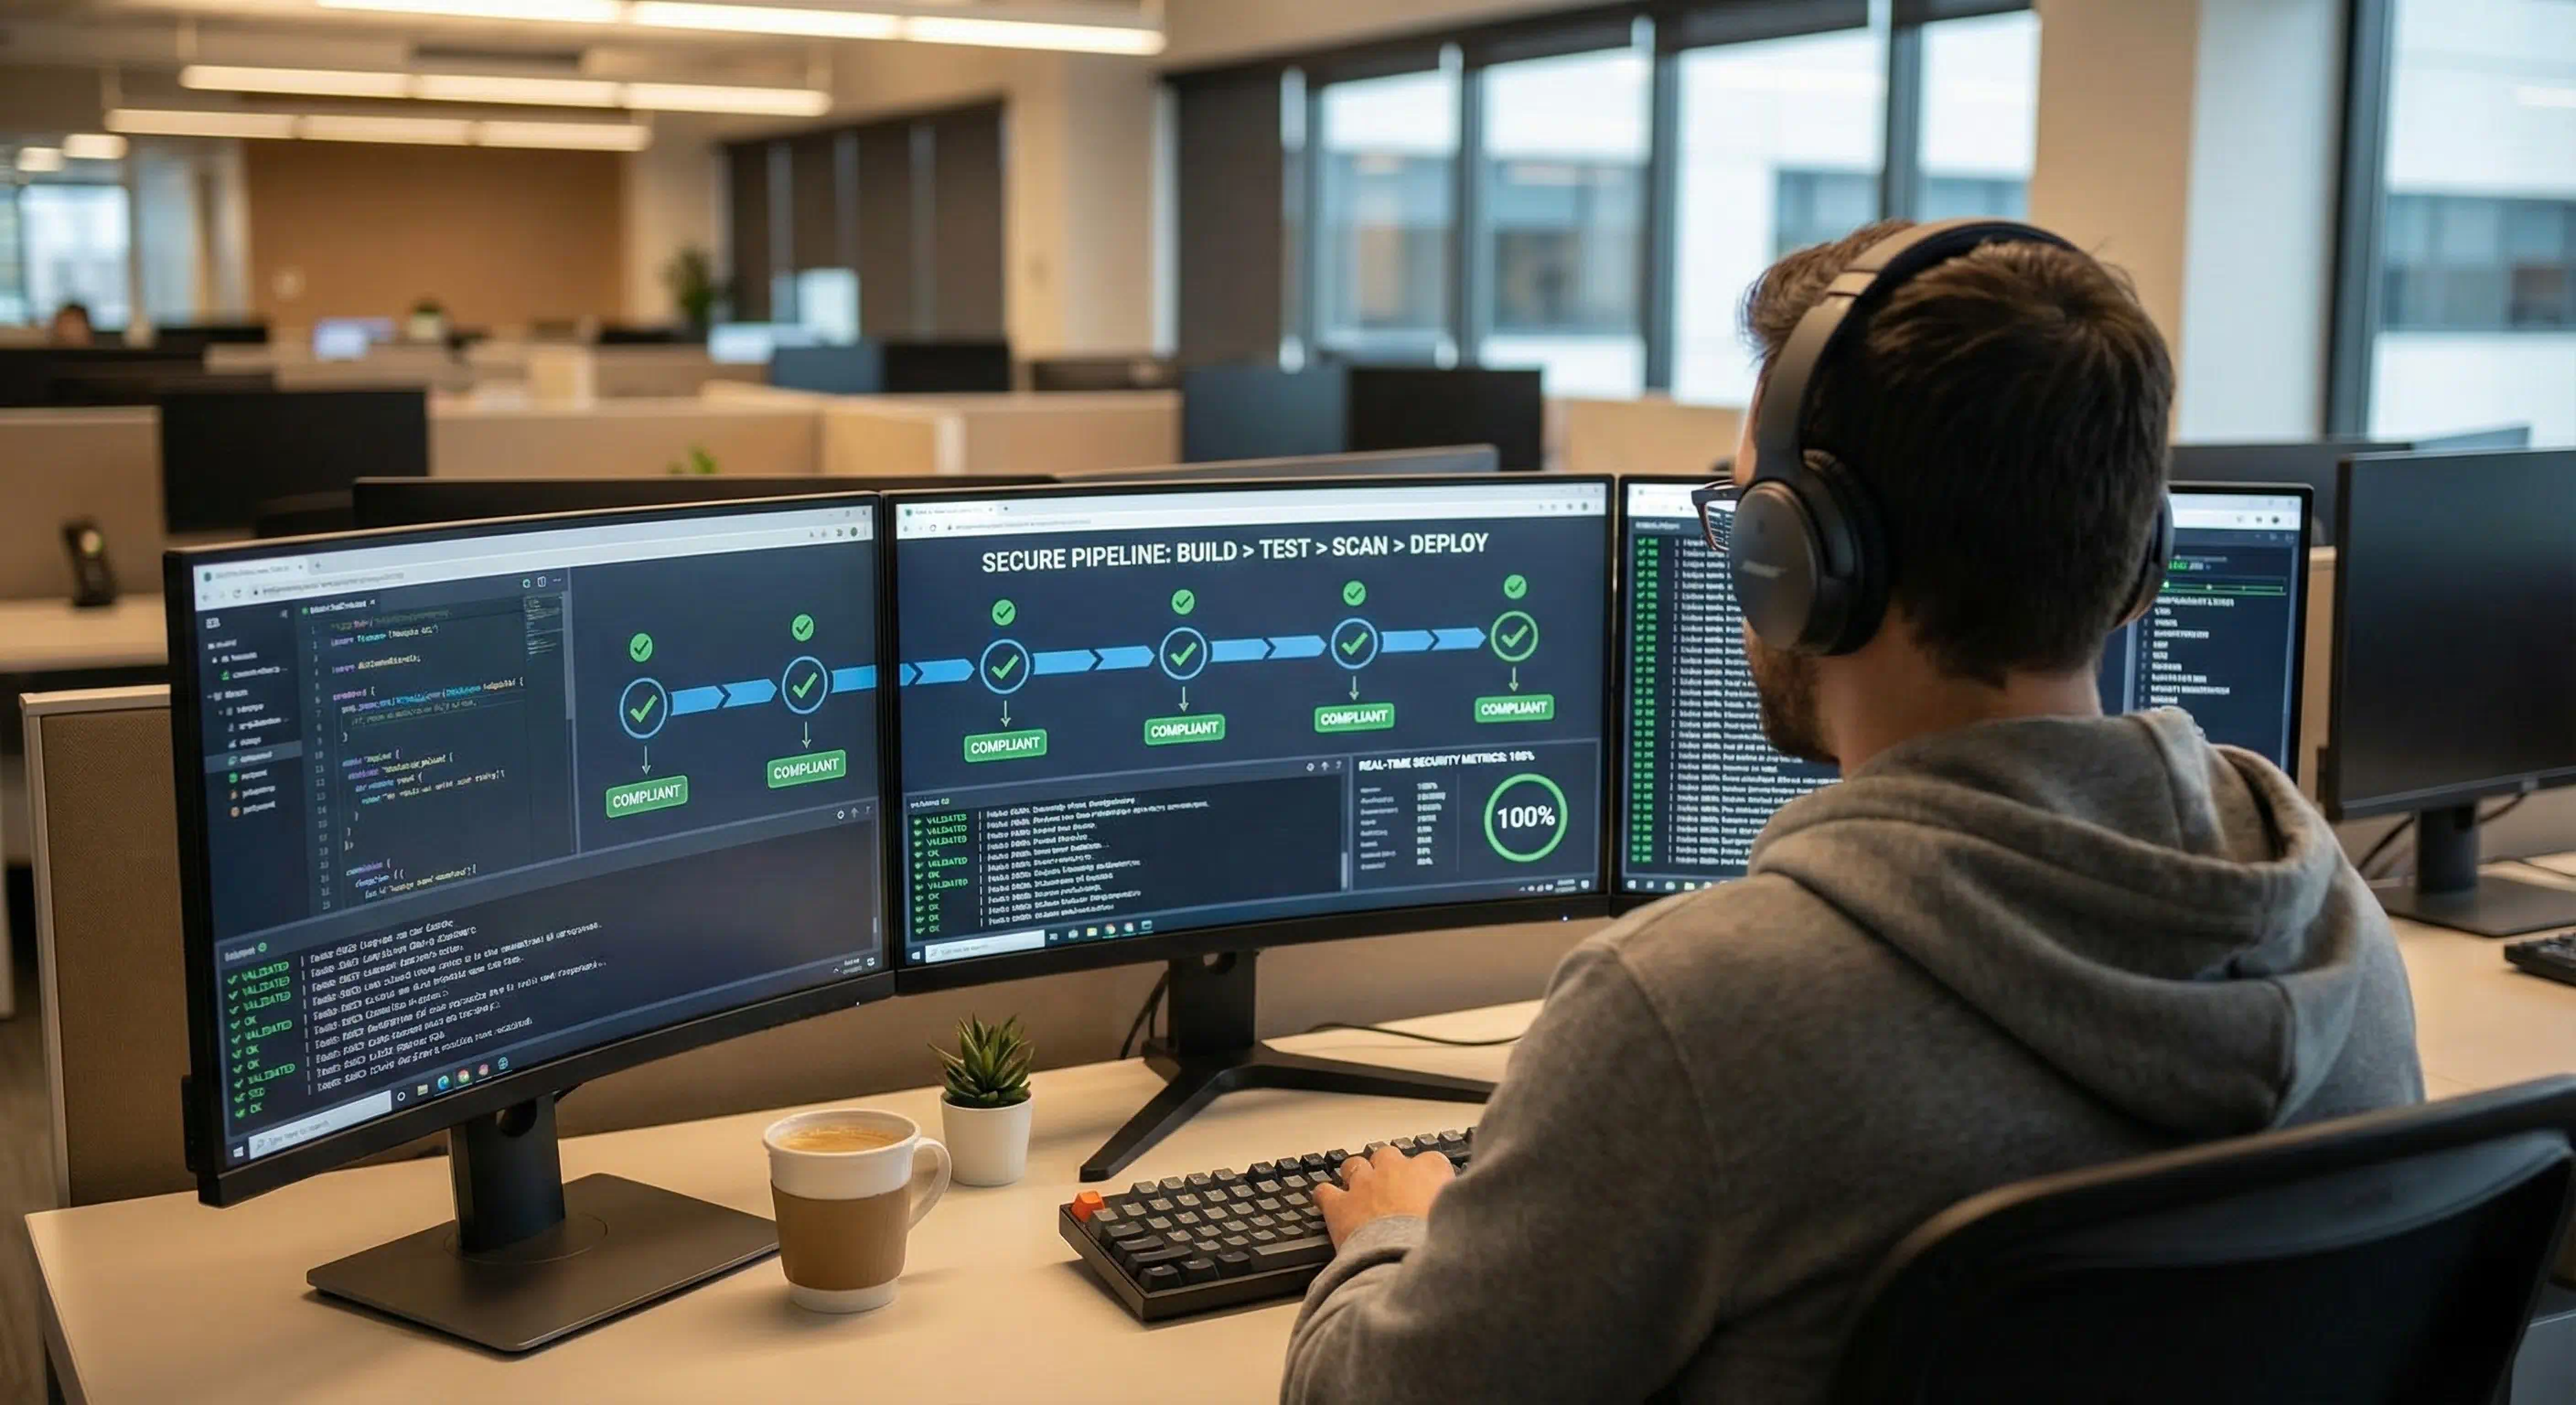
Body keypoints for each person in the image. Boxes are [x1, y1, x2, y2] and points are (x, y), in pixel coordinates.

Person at [1280, 219, 2421, 1403]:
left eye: (1743, 515)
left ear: (1800, 560)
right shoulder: (2328, 918)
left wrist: (1394, 1239)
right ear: (2139, 560)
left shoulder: (1693, 1010)